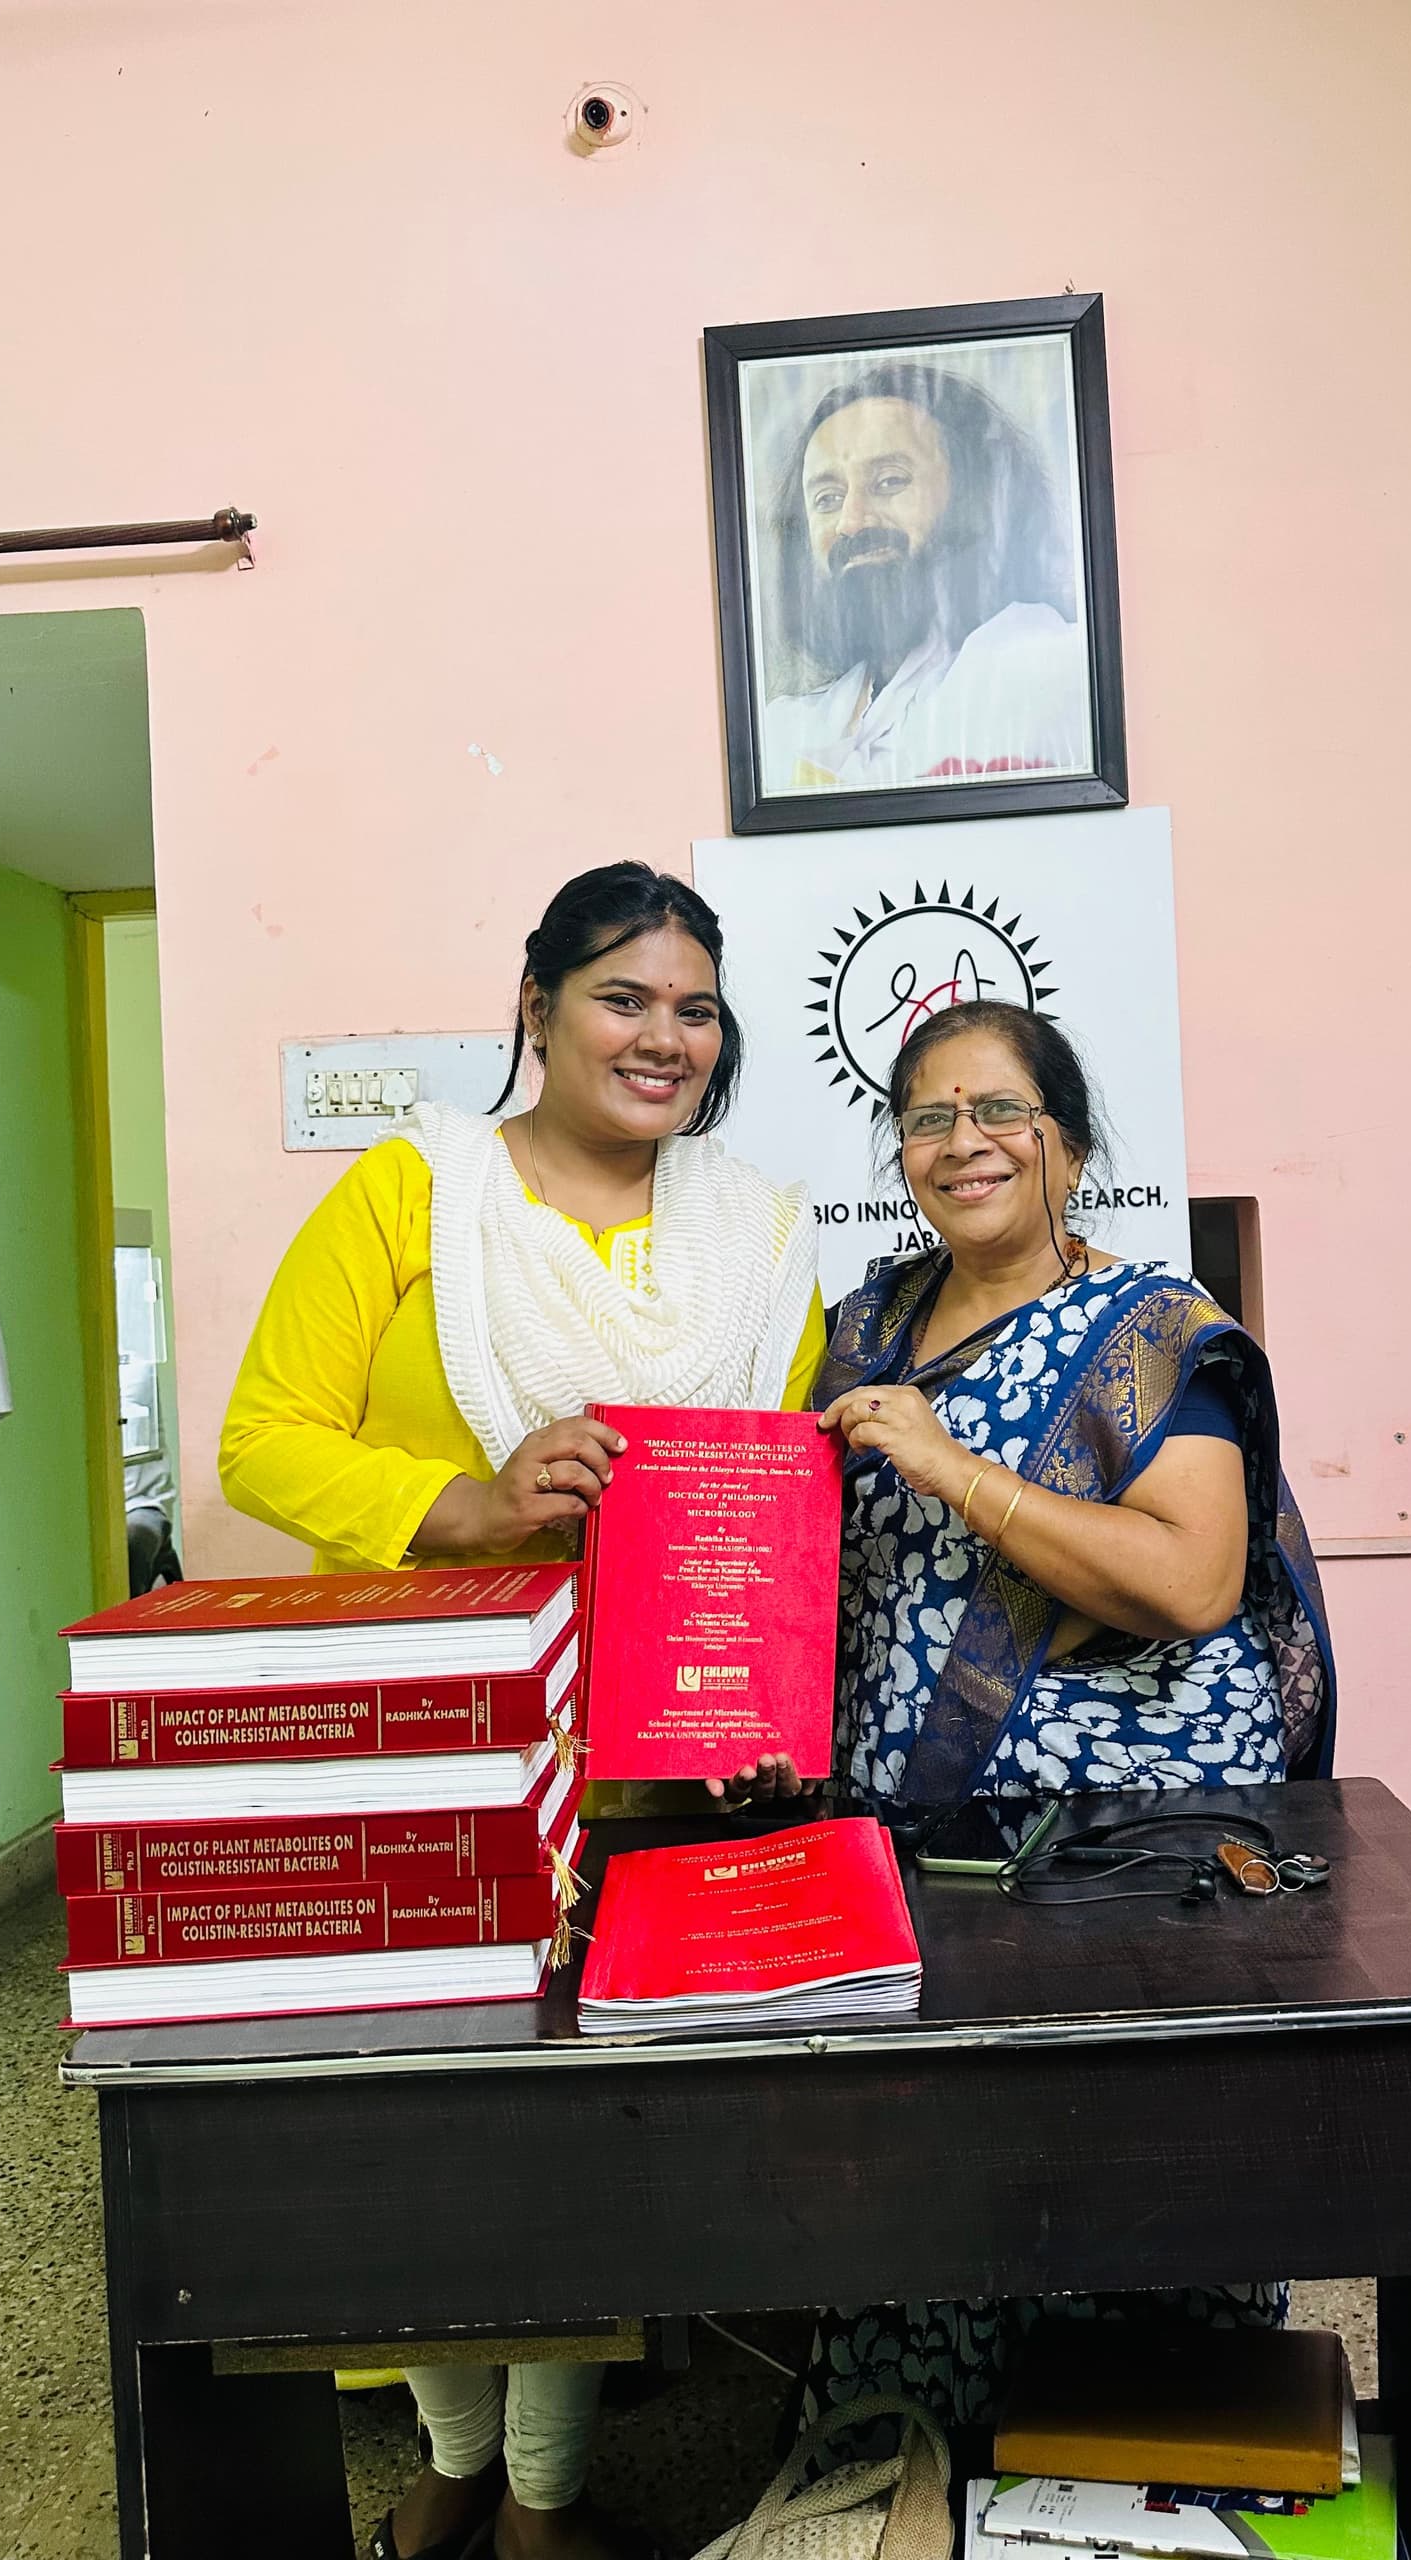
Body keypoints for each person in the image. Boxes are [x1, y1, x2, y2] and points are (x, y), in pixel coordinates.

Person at [219, 862, 824, 2560]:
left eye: (695, 1007)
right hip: (425, 1734)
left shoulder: (757, 1239)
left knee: (580, 2136)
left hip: (653, 1759)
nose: (665, 1036)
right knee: (420, 2127)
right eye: (624, 997)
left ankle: (547, 2497)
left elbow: (763, 1502)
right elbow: (262, 1439)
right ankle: (453, 2458)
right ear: (539, 1008)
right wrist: (466, 1502)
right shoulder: (414, 1198)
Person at [798, 998, 1333, 2446]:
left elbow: (1191, 1579)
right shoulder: (862, 1329)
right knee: (918, 2188)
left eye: (998, 1114)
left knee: (1135, 2195)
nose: (960, 1143)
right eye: (926, 1116)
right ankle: (913, 2473)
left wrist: (954, 1464)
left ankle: (1139, 2486)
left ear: (1069, 1148)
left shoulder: (1158, 1331)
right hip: (908, 1846)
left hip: (1120, 1854)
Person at [756, 361, 1093, 795]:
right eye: (827, 499)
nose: (851, 521)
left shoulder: (1049, 669)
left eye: (890, 481)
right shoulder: (783, 733)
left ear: (978, 500)